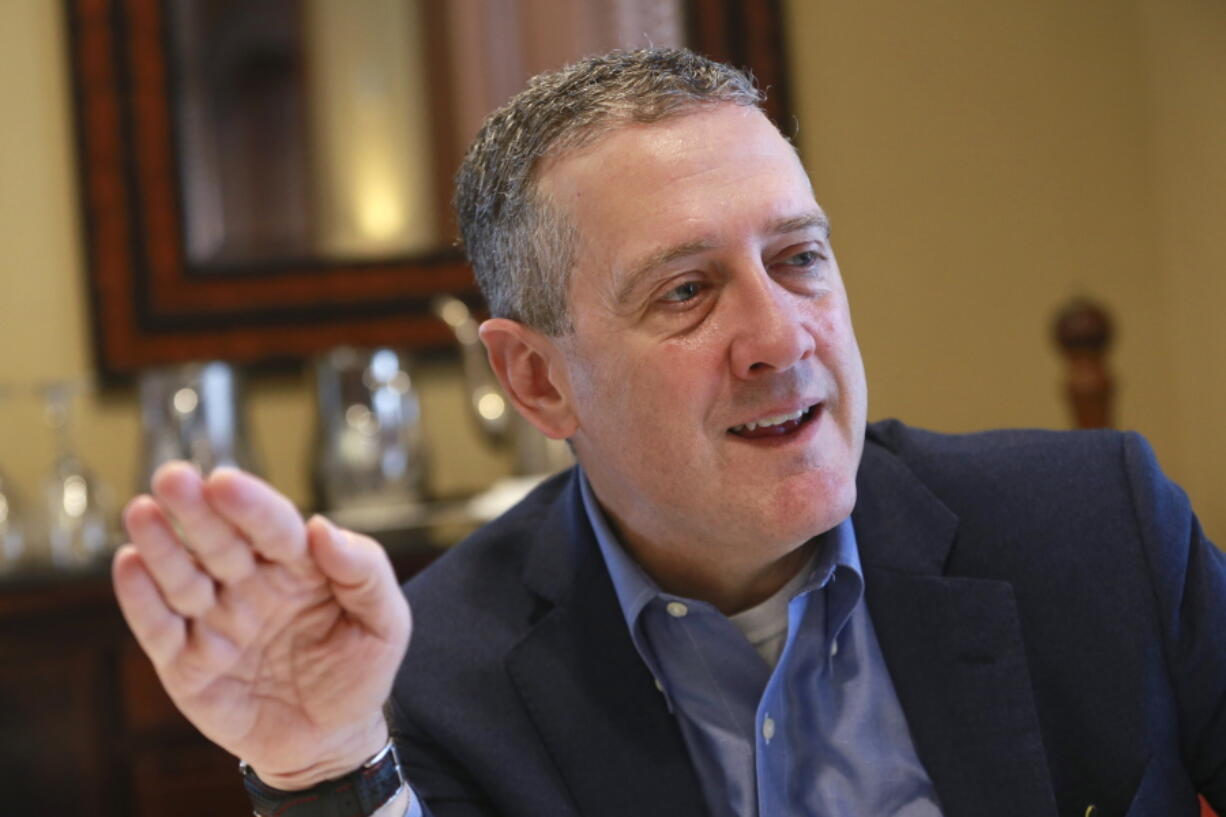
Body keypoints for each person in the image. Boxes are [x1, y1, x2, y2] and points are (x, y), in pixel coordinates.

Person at [113, 49, 1226, 817]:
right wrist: (323, 762)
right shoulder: (430, 679)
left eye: (797, 259)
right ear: (538, 380)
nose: (777, 336)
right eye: (686, 291)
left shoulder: (1095, 527)